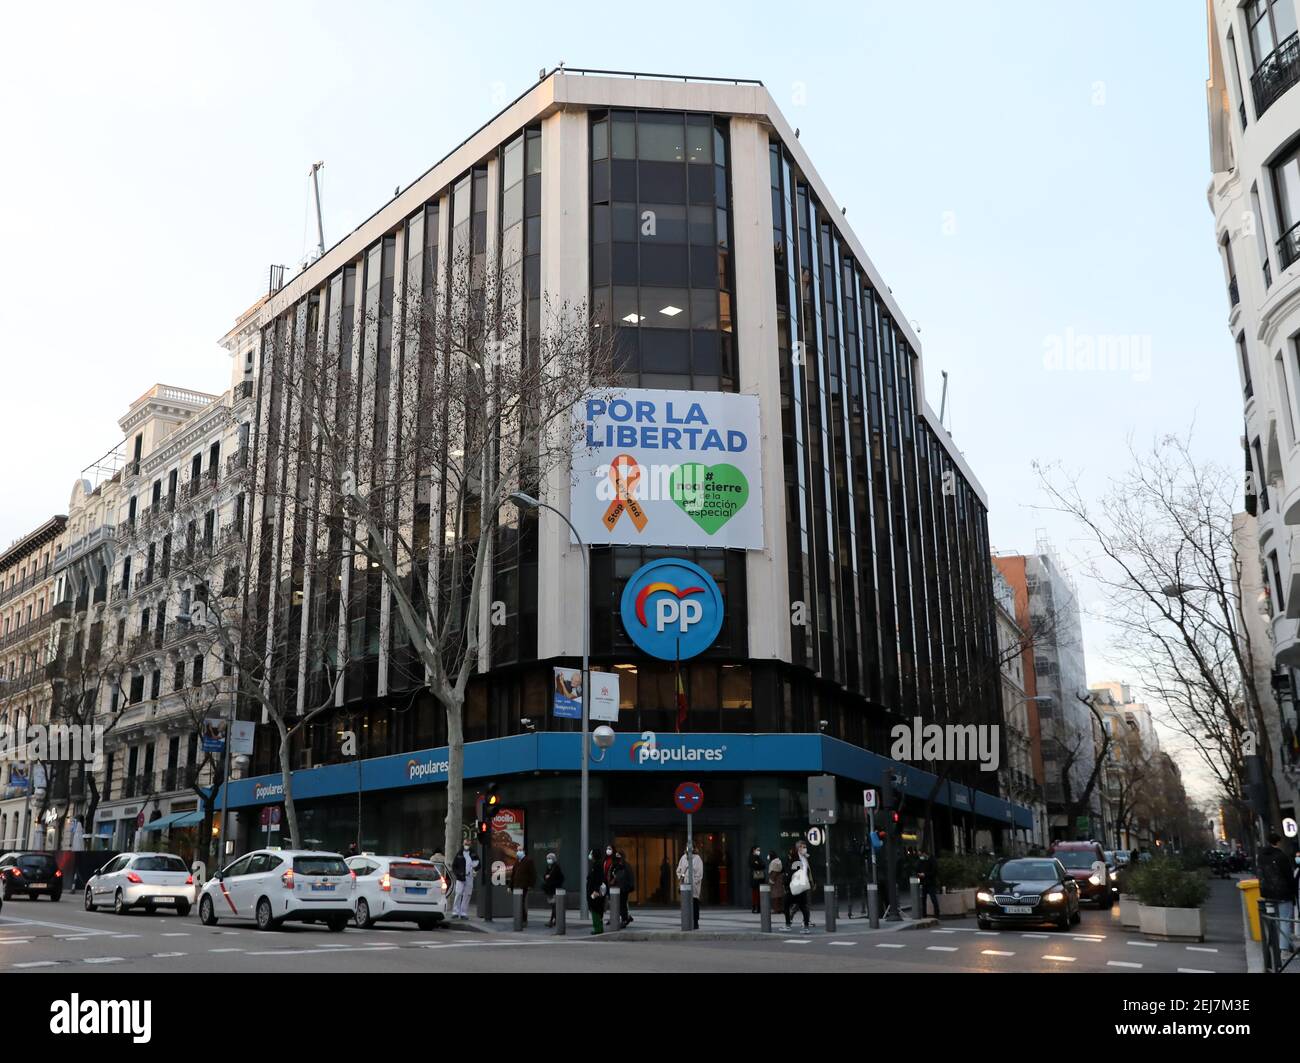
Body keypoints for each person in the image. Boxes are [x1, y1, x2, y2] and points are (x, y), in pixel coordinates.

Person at [1257, 832, 1295, 953]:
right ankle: (1284, 950)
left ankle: (1274, 948)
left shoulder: (1261, 856)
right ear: (1278, 842)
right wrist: (1293, 892)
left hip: (1267, 893)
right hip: (1283, 892)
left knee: (1273, 920)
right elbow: (1288, 875)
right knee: (1285, 920)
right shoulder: (1281, 856)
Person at [784, 843, 813, 932]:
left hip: (796, 886)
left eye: (804, 847)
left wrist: (786, 883)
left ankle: (789, 924)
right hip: (801, 885)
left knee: (787, 904)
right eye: (801, 847)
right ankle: (805, 926)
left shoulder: (798, 860)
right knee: (803, 906)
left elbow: (791, 874)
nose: (804, 849)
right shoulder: (801, 859)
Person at [676, 845, 704, 929]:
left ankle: (695, 922)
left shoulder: (697, 859)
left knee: (694, 903)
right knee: (685, 904)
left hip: (694, 886)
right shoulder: (683, 858)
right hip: (685, 886)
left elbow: (699, 874)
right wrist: (681, 877)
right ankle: (686, 921)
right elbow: (679, 870)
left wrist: (693, 882)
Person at [451, 839, 478, 920]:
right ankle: (455, 912)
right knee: (458, 893)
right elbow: (454, 866)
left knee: (467, 895)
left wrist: (475, 870)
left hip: (469, 877)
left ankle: (463, 913)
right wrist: (457, 874)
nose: (467, 845)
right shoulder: (459, 854)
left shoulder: (473, 854)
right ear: (463, 844)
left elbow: (478, 864)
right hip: (460, 877)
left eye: (468, 844)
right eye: (466, 844)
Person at [510, 847, 537, 927]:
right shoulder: (517, 862)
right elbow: (513, 875)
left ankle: (524, 919)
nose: (518, 852)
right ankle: (520, 919)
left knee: (521, 902)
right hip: (516, 886)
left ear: (524, 851)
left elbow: (533, 874)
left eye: (520, 850)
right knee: (518, 903)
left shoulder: (528, 861)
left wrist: (531, 885)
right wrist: (510, 886)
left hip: (524, 885)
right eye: (517, 850)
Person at [611, 850, 635, 928]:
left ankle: (625, 919)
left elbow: (630, 877)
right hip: (618, 888)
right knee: (620, 904)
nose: (618, 859)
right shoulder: (617, 866)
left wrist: (629, 887)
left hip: (624, 888)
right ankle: (626, 918)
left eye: (619, 857)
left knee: (622, 904)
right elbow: (615, 876)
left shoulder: (626, 866)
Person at [586, 849, 608, 935]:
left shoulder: (597, 866)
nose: (590, 855)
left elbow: (597, 879)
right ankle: (598, 927)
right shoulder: (596, 865)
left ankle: (598, 928)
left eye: (591, 853)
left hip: (594, 891)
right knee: (596, 909)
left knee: (595, 909)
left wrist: (595, 890)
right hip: (593, 890)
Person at [543, 853, 565, 928]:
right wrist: (546, 876)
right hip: (549, 889)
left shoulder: (556, 867)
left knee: (554, 906)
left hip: (555, 889)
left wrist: (552, 880)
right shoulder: (548, 867)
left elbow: (561, 878)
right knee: (553, 906)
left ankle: (553, 920)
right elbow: (545, 875)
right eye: (547, 858)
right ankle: (555, 920)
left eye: (550, 858)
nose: (548, 860)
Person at [916, 848, 940, 918]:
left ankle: (937, 914)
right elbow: (917, 869)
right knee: (923, 899)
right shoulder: (920, 861)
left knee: (933, 898)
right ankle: (924, 915)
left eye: (921, 854)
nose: (920, 856)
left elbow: (934, 871)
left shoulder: (932, 860)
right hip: (923, 882)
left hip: (930, 882)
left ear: (924, 853)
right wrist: (919, 874)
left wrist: (925, 874)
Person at [749, 846, 766, 913]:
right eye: (757, 850)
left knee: (759, 892)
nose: (759, 851)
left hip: (759, 877)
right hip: (754, 877)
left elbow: (763, 865)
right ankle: (755, 907)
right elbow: (755, 865)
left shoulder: (758, 857)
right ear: (754, 850)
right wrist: (759, 865)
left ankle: (758, 907)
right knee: (755, 892)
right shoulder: (751, 857)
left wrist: (759, 864)